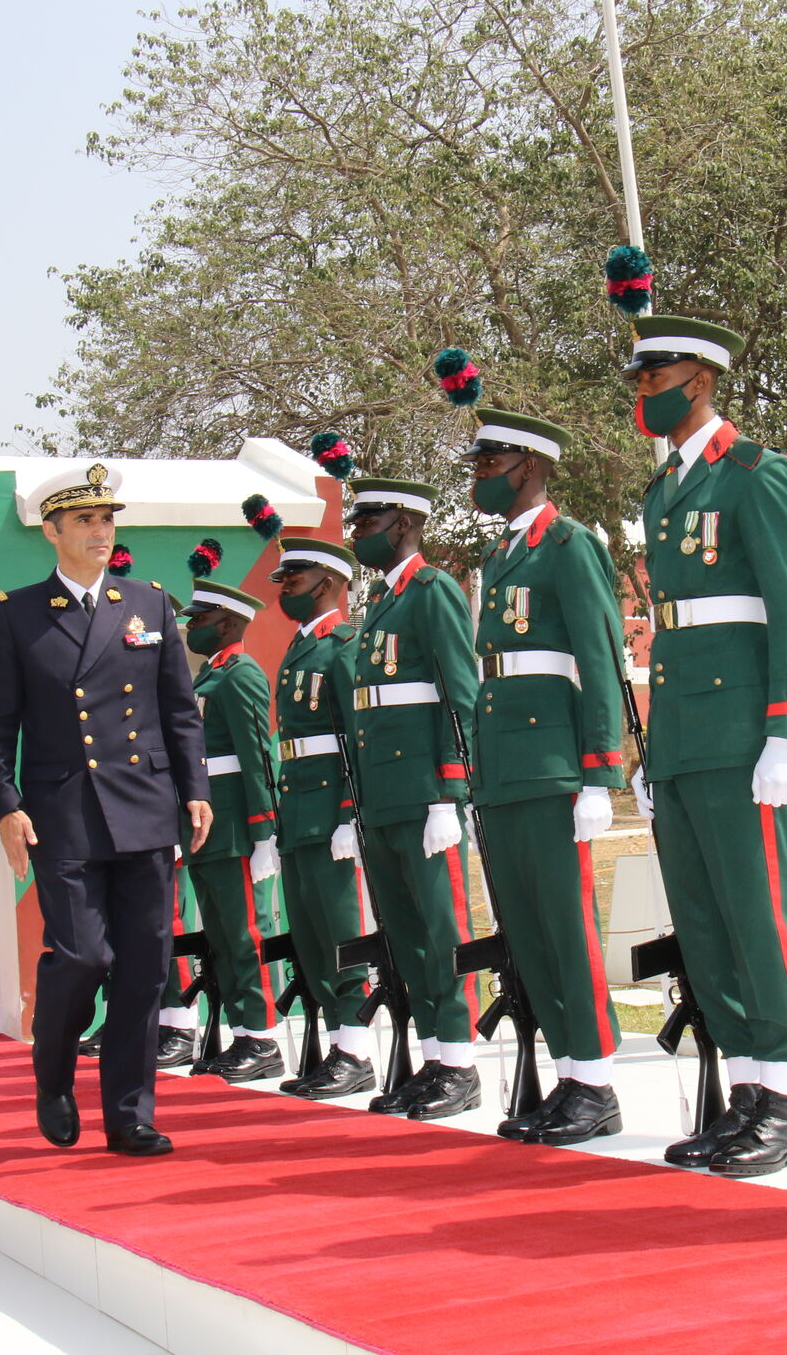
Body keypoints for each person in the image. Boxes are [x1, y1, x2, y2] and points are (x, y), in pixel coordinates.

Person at [626, 315, 787, 1176]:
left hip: (744, 730)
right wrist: (650, 749)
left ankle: (784, 1097)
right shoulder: (663, 490)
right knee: (705, 924)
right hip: (684, 735)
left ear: (698, 378)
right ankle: (745, 1091)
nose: (643, 394)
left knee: (757, 913)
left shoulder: (753, 474)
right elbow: (669, 631)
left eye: (654, 377)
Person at [0, 463, 212, 1157]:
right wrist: (5, 804)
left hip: (143, 807)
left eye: (107, 519)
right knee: (81, 954)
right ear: (52, 531)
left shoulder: (148, 604)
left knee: (144, 963)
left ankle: (130, 1114)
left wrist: (194, 786)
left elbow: (177, 709)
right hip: (63, 811)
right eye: (84, 520)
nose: (100, 531)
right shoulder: (16, 612)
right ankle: (53, 1074)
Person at [461, 409, 628, 1145]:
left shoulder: (568, 546)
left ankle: (597, 1079)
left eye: (487, 464)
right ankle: (570, 1073)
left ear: (527, 466)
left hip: (556, 765)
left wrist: (600, 771)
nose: (477, 478)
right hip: (506, 770)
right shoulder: (500, 557)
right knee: (527, 930)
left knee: (567, 927)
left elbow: (599, 659)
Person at [343, 477, 483, 1120]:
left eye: (369, 518)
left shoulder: (432, 592)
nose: (358, 529)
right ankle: (434, 1057)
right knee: (406, 935)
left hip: (425, 790)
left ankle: (460, 1061)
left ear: (403, 521)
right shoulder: (381, 600)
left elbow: (460, 695)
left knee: (442, 929)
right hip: (384, 794)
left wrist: (451, 792)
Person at [267, 536, 378, 1099]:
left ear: (331, 582)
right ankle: (339, 1043)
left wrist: (347, 815)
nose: (285, 588)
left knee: (340, 934)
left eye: (295, 578)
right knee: (310, 937)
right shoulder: (300, 647)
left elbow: (355, 740)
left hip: (329, 806)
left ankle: (356, 1050)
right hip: (297, 810)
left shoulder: (342, 645)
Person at [177, 578, 285, 1083]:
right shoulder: (206, 679)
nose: (191, 627)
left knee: (244, 934)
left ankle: (261, 1037)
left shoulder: (240, 675)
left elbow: (256, 756)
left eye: (199, 619)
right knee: (220, 935)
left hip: (235, 827)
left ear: (229, 623)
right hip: (204, 828)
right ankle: (242, 1032)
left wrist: (264, 829)